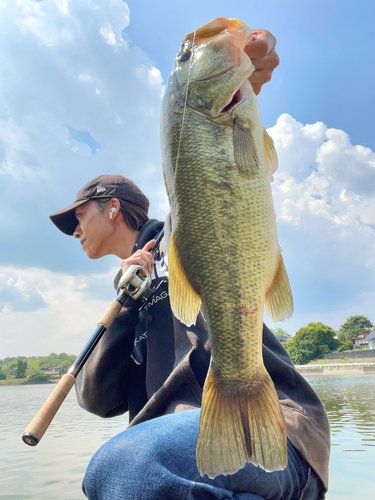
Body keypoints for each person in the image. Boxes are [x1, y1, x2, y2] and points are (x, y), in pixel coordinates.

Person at [49, 31, 330, 500]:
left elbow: (204, 192)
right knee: (116, 467)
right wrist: (127, 299)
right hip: (183, 459)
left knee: (123, 466)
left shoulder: (177, 234)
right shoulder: (135, 287)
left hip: (274, 430)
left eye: (77, 218)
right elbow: (97, 399)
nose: (74, 231)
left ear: (112, 208)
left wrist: (232, 75)